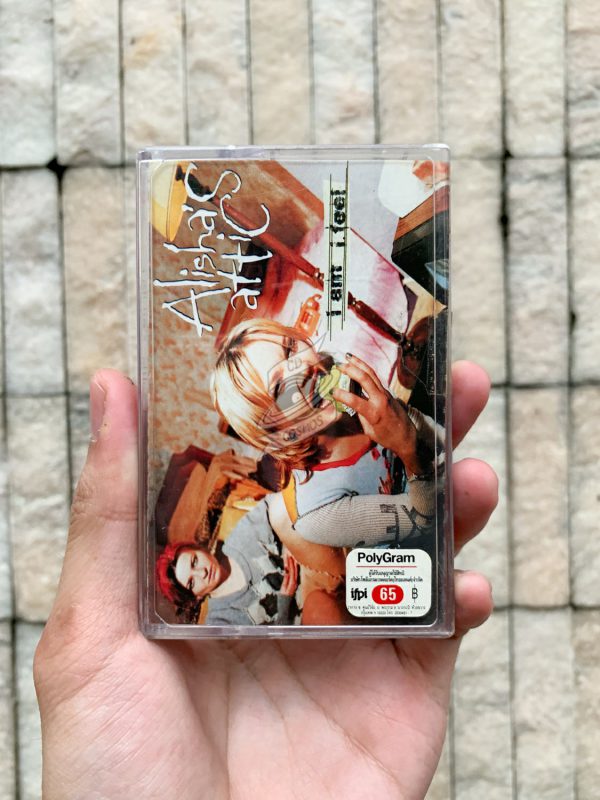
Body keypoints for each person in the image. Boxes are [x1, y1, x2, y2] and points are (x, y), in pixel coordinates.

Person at [34, 365, 497, 799]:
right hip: (302, 616)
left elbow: (271, 513)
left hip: (315, 553)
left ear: (201, 549)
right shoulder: (220, 617)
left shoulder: (237, 543)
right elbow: (272, 623)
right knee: (323, 607)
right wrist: (289, 594)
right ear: (194, 594)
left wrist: (292, 540)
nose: (199, 572)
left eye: (193, 561)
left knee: (288, 514)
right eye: (191, 579)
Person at [211, 318, 442, 549]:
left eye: (290, 347)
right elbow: (425, 522)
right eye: (279, 388)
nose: (302, 368)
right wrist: (406, 446)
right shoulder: (314, 513)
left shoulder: (341, 378)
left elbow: (432, 434)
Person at [157, 504, 300, 625]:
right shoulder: (219, 622)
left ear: (200, 549)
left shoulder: (240, 538)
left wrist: (288, 537)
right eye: (191, 583)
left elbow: (278, 505)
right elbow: (272, 647)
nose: (202, 572)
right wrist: (285, 603)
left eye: (194, 561)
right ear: (195, 598)